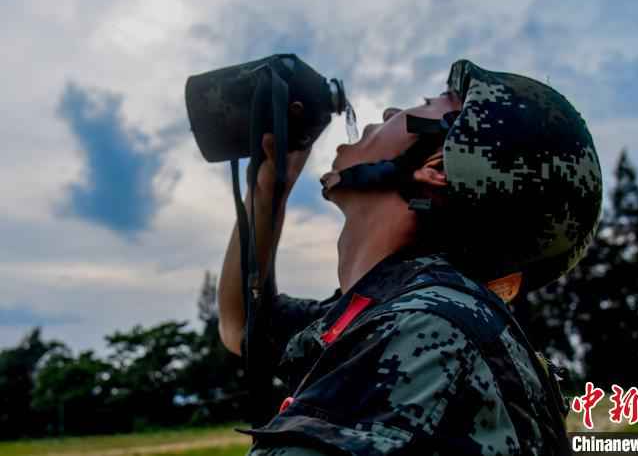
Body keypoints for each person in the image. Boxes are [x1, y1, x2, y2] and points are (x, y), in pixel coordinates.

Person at [218, 59, 603, 455]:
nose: (388, 113)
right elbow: (245, 327)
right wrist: (268, 190)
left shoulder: (429, 330)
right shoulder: (395, 310)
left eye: (426, 103)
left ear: (435, 169)